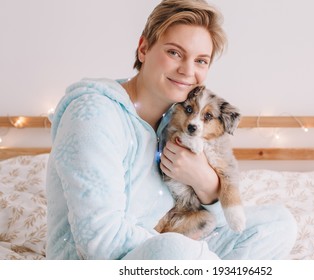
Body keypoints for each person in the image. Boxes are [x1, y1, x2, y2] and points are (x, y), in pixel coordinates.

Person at [46, 0, 297, 260]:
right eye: (175, 53)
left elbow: (218, 221)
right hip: (104, 260)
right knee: (174, 249)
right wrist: (190, 253)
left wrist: (205, 181)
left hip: (171, 243)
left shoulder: (178, 119)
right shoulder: (93, 114)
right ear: (143, 49)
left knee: (277, 224)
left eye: (201, 61)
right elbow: (100, 242)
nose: (188, 70)